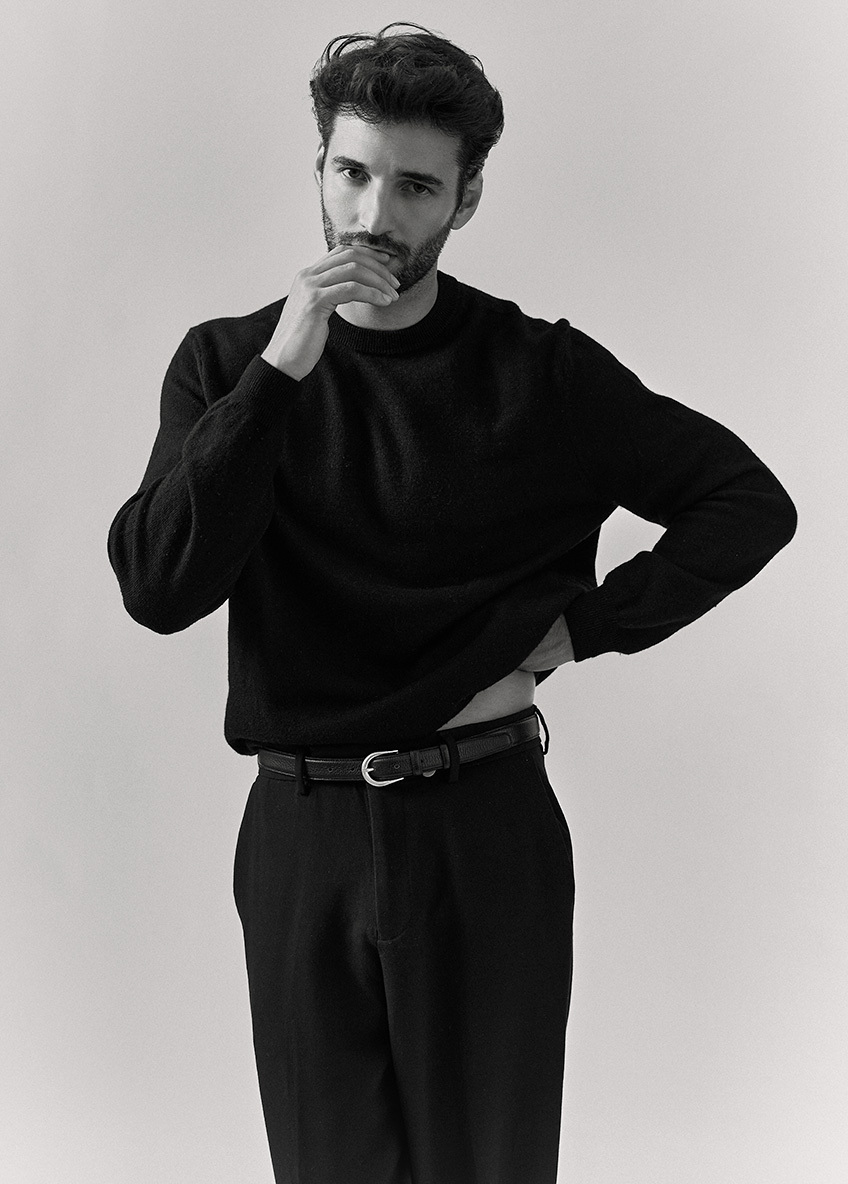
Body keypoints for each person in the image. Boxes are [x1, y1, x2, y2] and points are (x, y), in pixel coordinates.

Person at [107, 21, 797, 1184]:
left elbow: (742, 501)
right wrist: (278, 375)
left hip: (481, 820)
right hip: (301, 828)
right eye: (351, 172)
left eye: (415, 186)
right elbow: (161, 588)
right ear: (319, 167)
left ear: (465, 198)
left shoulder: (537, 372)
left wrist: (581, 629)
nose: (372, 214)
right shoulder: (228, 366)